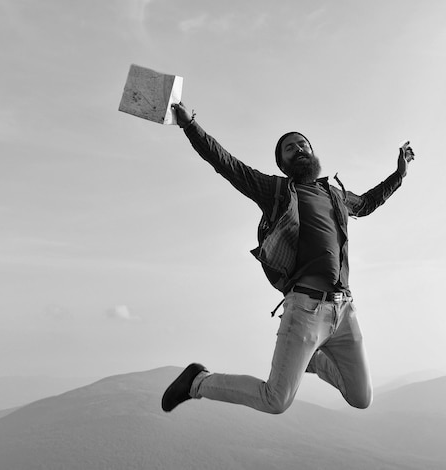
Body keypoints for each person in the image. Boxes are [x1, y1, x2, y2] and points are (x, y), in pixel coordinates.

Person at [161, 102, 413, 414]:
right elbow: (227, 164)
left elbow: (367, 203)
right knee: (275, 400)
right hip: (305, 309)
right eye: (290, 148)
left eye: (302, 144)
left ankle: (311, 360)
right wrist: (190, 125)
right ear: (283, 164)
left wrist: (400, 173)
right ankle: (197, 382)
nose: (298, 148)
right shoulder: (276, 190)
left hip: (344, 309)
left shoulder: (334, 194)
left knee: (361, 398)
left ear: (313, 152)